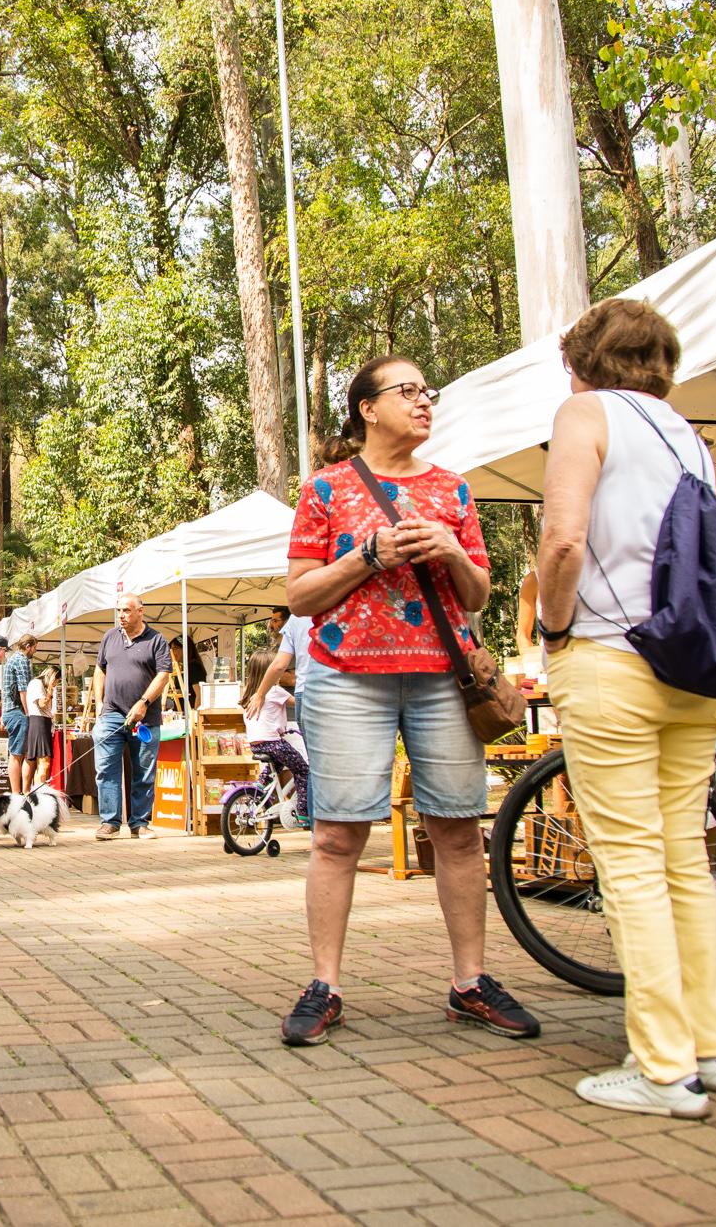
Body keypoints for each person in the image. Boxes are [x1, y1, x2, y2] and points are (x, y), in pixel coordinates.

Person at [280, 352, 540, 1049]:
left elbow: (480, 593)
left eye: (430, 392)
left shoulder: (453, 490)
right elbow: (299, 596)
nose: (426, 402)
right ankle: (324, 985)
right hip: (345, 678)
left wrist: (451, 550)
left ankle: (470, 982)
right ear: (368, 408)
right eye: (409, 391)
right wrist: (368, 554)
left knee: (456, 827)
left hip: (442, 678)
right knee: (338, 833)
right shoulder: (325, 490)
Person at [534, 298, 716, 1119]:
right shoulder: (687, 434)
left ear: (581, 362)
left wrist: (553, 628)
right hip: (695, 666)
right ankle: (711, 1046)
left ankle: (662, 1067)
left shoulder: (585, 413)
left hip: (612, 657)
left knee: (628, 863)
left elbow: (562, 540)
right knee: (683, 858)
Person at [90, 594, 172, 841]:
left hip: (145, 718)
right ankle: (109, 822)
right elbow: (99, 670)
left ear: (140, 611)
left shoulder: (156, 640)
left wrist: (144, 702)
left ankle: (140, 823)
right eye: (118, 611)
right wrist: (99, 704)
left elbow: (163, 675)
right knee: (105, 768)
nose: (121, 615)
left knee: (144, 771)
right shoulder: (110, 637)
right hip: (112, 714)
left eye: (126, 610)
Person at [240, 651, 308, 826]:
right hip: (272, 742)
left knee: (276, 766)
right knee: (302, 771)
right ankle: (303, 812)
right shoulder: (275, 690)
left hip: (257, 744)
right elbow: (300, 704)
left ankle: (261, 785)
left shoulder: (249, 692)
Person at [2, 633, 37, 793]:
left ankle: (23, 791)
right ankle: (17, 793)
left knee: (20, 753)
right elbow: (23, 690)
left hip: (11, 711)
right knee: (17, 754)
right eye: (34, 647)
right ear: (27, 646)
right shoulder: (21, 660)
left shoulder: (12, 659)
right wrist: (29, 713)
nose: (35, 651)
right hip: (18, 712)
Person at [23, 664, 55, 788]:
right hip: (40, 722)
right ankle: (39, 793)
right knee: (44, 763)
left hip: (41, 722)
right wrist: (49, 693)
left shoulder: (36, 684)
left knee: (41, 763)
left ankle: (37, 791)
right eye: (56, 681)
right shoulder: (37, 684)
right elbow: (42, 704)